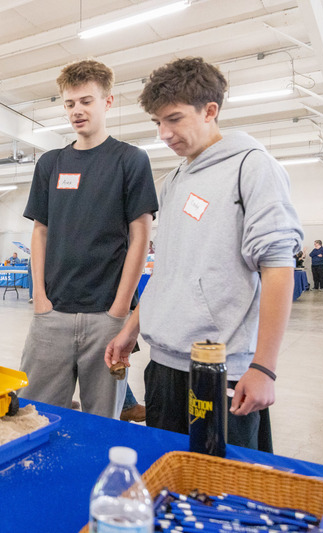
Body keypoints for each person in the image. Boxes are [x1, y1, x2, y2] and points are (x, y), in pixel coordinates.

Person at [105, 57, 303, 451]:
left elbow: (278, 267)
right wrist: (130, 331)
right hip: (163, 365)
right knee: (164, 471)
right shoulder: (175, 179)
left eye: (174, 119)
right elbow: (168, 271)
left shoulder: (253, 167)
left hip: (219, 369)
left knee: (220, 487)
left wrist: (264, 367)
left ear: (210, 111)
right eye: (157, 122)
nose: (163, 133)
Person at [19, 59, 158, 418]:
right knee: (33, 416)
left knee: (103, 421)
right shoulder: (50, 164)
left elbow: (140, 235)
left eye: (86, 101)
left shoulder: (130, 160)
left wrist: (119, 310)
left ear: (108, 102)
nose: (77, 111)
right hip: (52, 315)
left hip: (106, 318)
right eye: (69, 104)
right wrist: (40, 299)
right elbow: (40, 231)